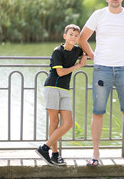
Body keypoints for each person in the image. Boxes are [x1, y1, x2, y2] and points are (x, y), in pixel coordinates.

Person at [79, 0, 124, 166]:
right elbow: (82, 38)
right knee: (98, 111)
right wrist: (92, 56)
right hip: (102, 69)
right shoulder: (98, 15)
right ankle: (95, 155)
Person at [36, 24, 87, 166]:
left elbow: (88, 51)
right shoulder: (57, 51)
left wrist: (84, 55)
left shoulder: (77, 50)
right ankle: (55, 154)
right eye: (71, 34)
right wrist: (78, 65)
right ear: (65, 36)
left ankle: (44, 148)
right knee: (54, 122)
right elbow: (61, 72)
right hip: (52, 87)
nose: (73, 37)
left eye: (76, 36)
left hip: (64, 90)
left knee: (68, 123)